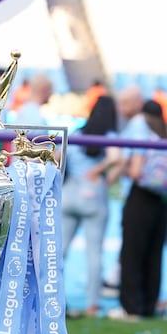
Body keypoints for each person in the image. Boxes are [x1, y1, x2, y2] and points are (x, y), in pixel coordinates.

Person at [61, 95, 120, 318]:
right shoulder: (110, 135)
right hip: (94, 194)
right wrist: (100, 173)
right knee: (94, 253)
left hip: (70, 193)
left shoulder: (78, 132)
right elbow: (117, 156)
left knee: (60, 252)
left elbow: (58, 156)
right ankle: (93, 304)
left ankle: (56, 299)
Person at [111, 97, 167, 320]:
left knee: (132, 253)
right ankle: (148, 305)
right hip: (161, 201)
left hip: (141, 197)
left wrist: (121, 171)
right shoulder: (163, 135)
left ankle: (131, 308)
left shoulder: (142, 132)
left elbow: (135, 171)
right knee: (153, 254)